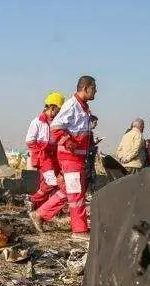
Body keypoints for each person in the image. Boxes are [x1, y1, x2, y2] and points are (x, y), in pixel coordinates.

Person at [29, 75, 97, 239]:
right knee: (76, 193)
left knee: (68, 191)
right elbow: (57, 126)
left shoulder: (82, 107)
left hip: (76, 157)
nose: (96, 91)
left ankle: (40, 214)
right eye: (94, 88)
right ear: (85, 87)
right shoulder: (72, 105)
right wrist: (69, 143)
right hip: (70, 157)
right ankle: (79, 230)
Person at [25, 91, 65, 212]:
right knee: (51, 182)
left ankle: (39, 208)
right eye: (58, 110)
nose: (59, 112)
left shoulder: (57, 122)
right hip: (43, 155)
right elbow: (30, 141)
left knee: (57, 182)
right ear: (52, 108)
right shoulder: (37, 122)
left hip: (55, 155)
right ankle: (33, 200)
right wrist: (40, 153)